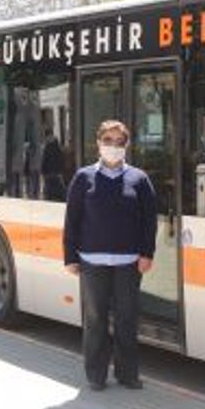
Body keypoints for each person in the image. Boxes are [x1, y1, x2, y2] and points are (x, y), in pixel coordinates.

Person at [62, 120, 157, 391]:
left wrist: (147, 253)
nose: (113, 147)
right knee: (95, 320)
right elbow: (72, 220)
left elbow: (149, 221)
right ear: (98, 143)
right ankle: (96, 375)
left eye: (119, 142)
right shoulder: (83, 178)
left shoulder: (139, 179)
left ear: (126, 145)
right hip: (92, 262)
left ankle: (128, 374)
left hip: (129, 263)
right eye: (108, 141)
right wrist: (70, 256)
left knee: (127, 319)